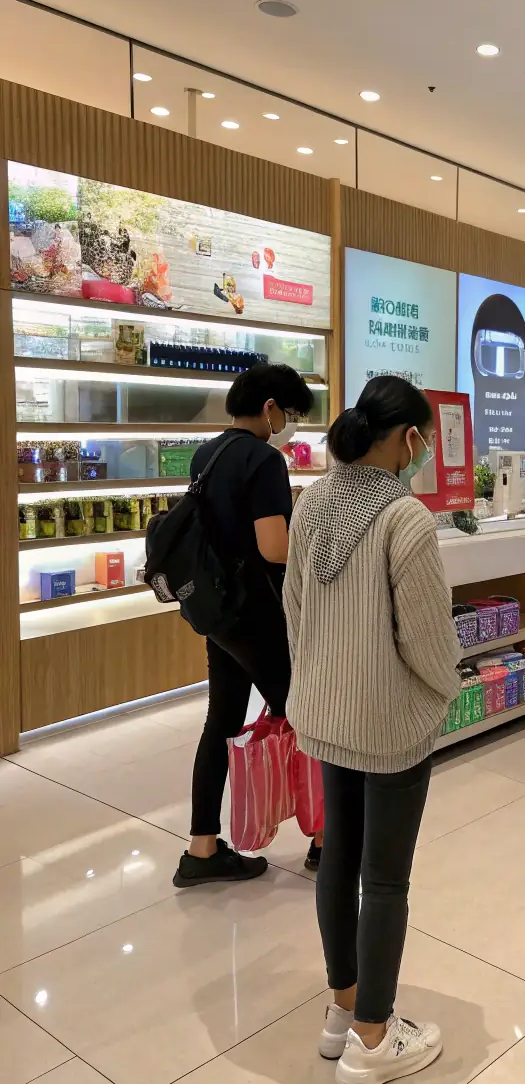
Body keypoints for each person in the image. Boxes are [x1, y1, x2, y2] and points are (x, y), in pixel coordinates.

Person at [284, 375, 460, 1084]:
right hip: (388, 726)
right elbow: (427, 639)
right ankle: (373, 1040)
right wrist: (446, 688)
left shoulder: (315, 499)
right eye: (427, 439)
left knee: (338, 860)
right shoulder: (406, 520)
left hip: (324, 715)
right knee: (385, 877)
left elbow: (295, 607)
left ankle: (343, 1007)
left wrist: (322, 679)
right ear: (409, 439)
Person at [172, 362, 315, 888]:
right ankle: (325, 842)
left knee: (222, 720)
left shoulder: (208, 453)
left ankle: (202, 849)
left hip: (218, 613)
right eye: (291, 412)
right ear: (270, 408)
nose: (290, 423)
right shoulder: (264, 460)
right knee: (305, 714)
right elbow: (272, 547)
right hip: (258, 613)